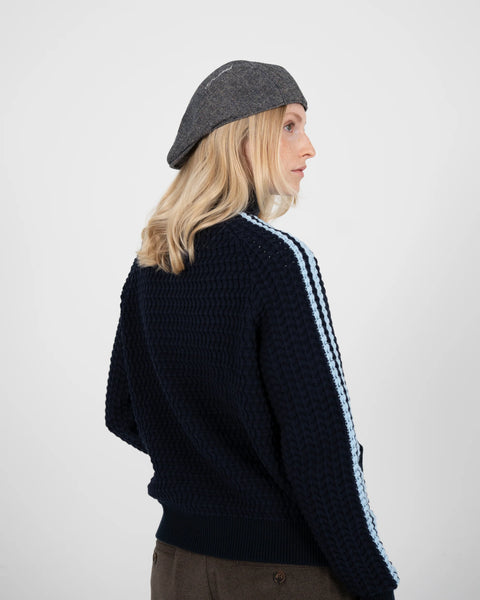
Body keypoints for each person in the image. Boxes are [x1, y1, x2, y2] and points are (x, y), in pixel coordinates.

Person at [105, 59, 400, 600]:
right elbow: (322, 448)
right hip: (278, 571)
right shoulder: (277, 261)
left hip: (176, 565)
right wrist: (374, 583)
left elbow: (123, 411)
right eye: (289, 125)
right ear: (242, 139)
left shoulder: (152, 263)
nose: (309, 147)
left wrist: (208, 467)